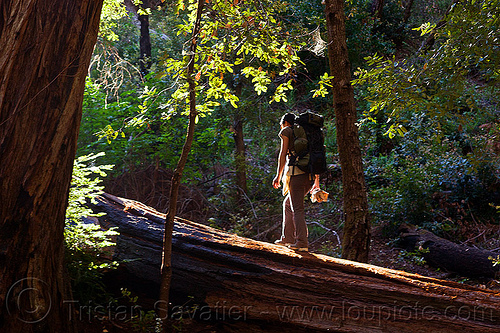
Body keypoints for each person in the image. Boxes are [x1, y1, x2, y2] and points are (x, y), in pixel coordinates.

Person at [273, 113, 320, 251]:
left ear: (285, 123)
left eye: (281, 126)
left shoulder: (287, 131)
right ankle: (288, 238)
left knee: (297, 208)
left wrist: (278, 175)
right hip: (309, 176)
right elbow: (315, 157)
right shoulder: (308, 133)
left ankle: (301, 242)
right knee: (288, 204)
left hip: (297, 175)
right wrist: (316, 181)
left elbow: (282, 155)